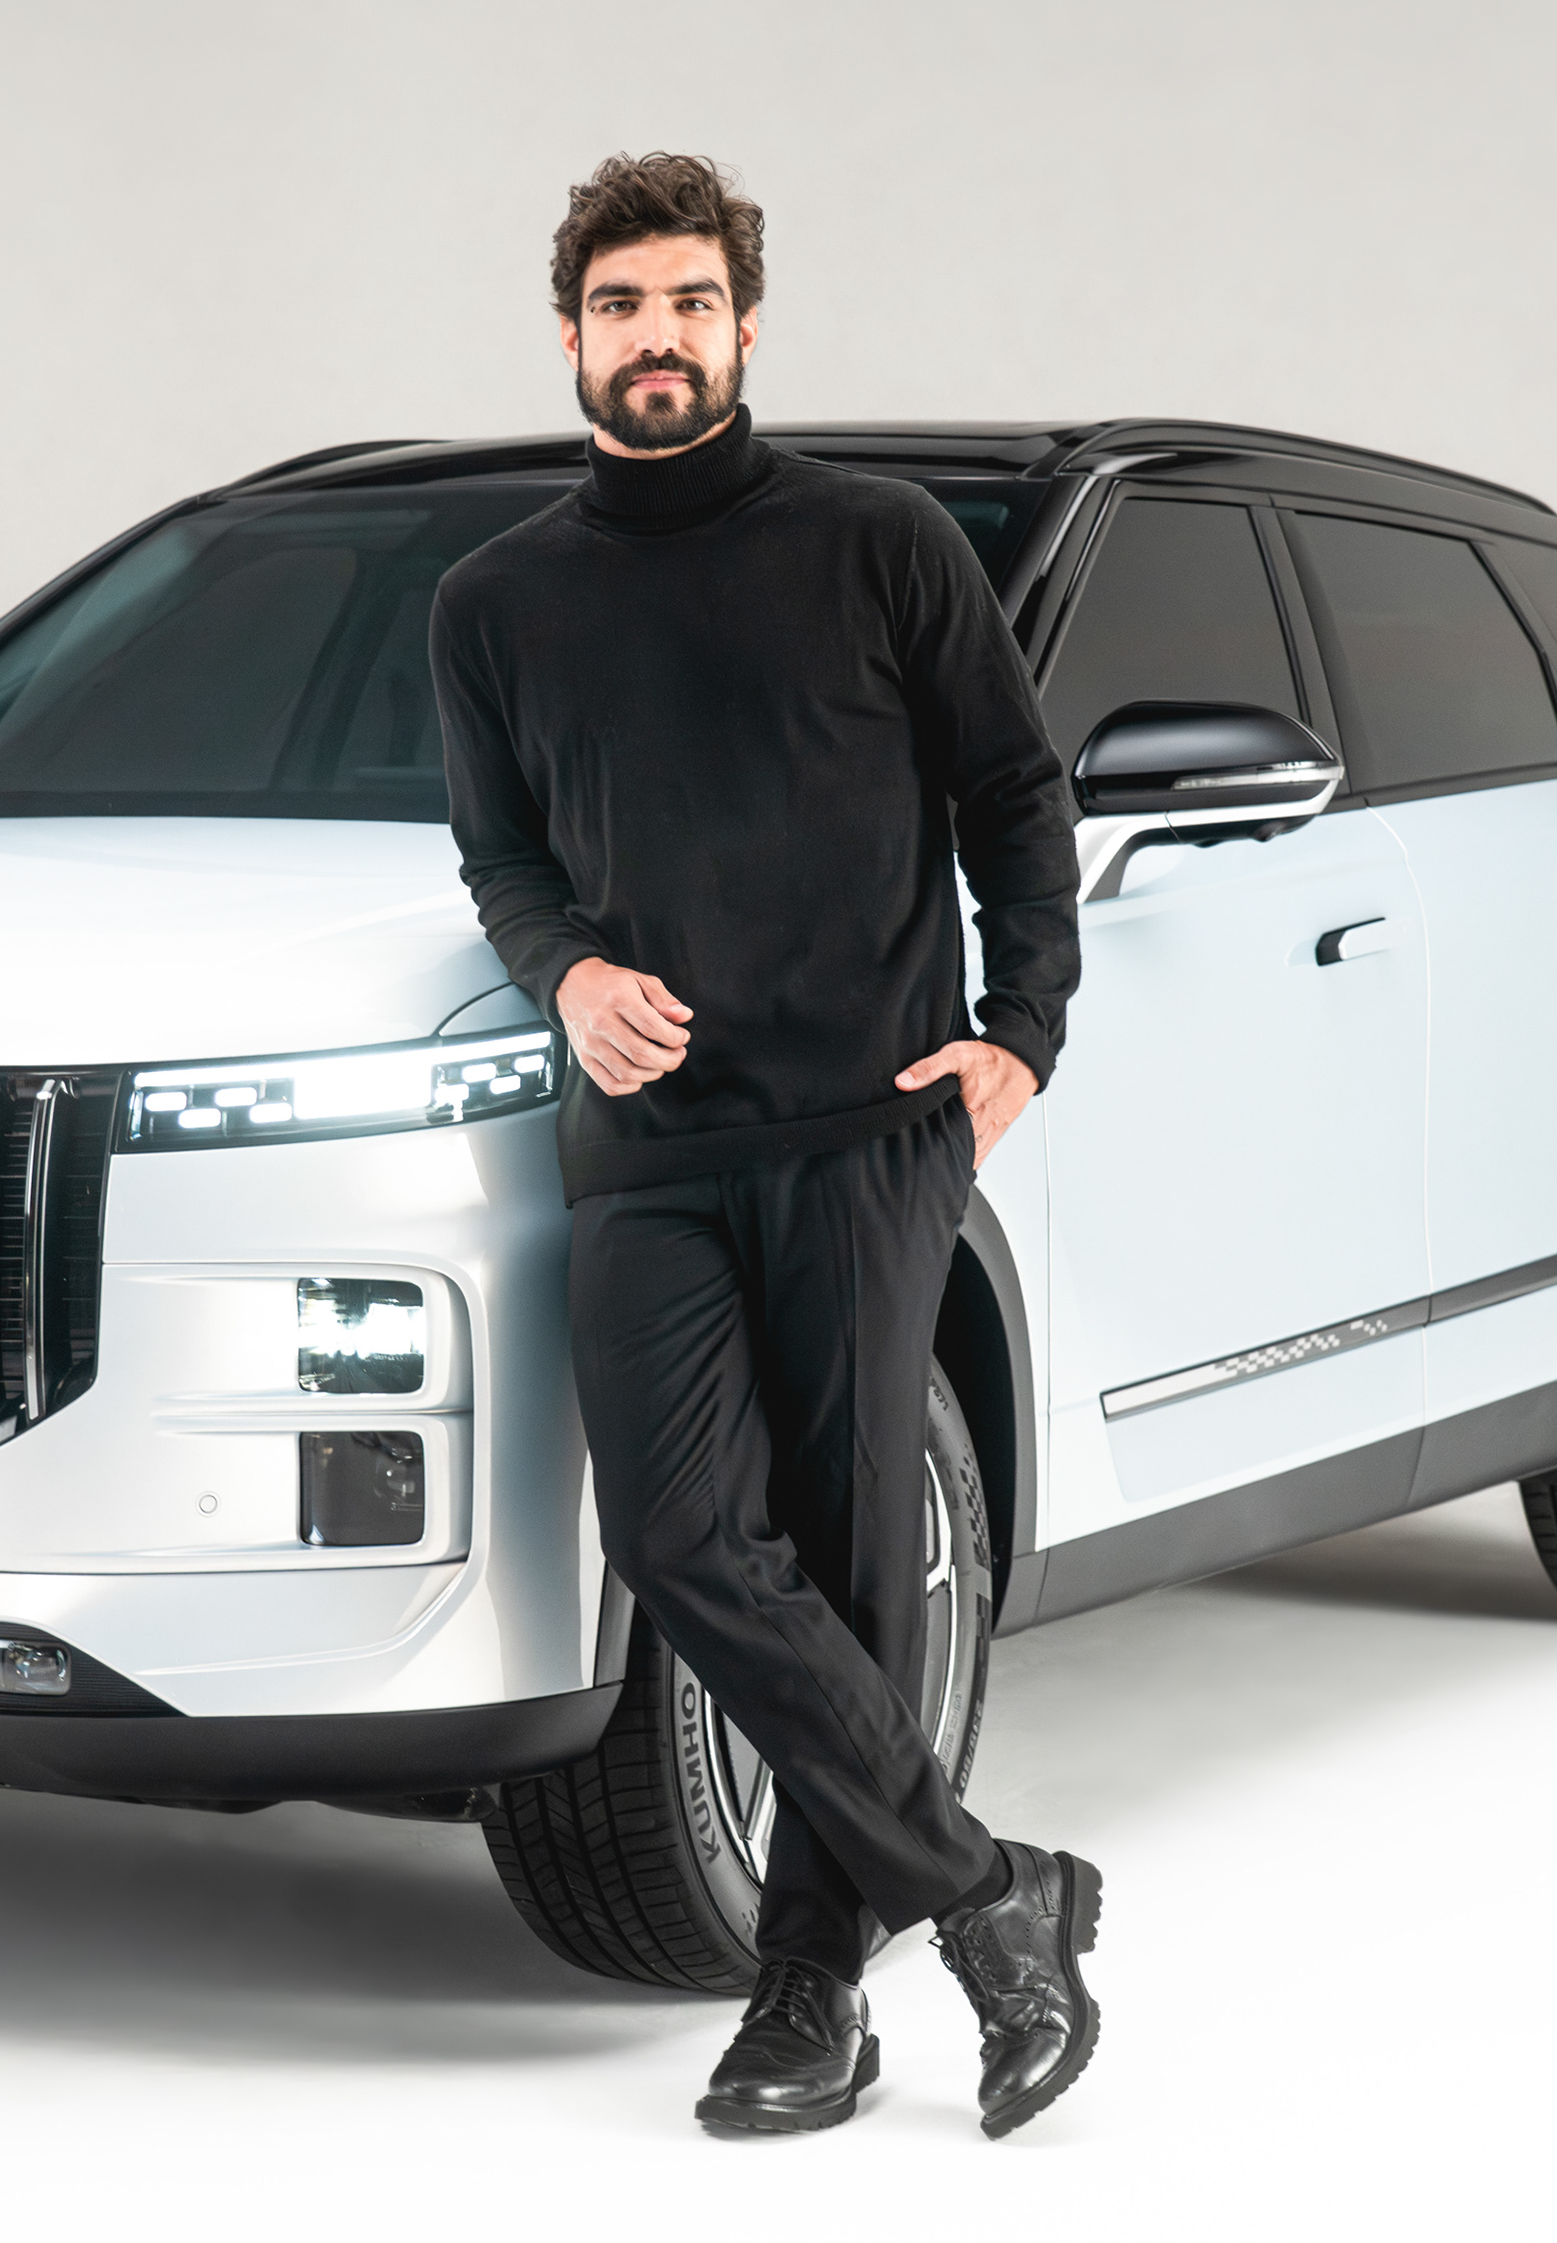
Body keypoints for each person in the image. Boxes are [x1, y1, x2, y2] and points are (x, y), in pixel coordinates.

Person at [429, 152, 1101, 2138]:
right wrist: (565, 974)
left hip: (867, 1132)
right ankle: (993, 1896)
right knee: (679, 1540)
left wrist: (1023, 1031)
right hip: (645, 1149)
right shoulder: (496, 601)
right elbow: (502, 854)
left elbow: (1014, 789)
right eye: (621, 306)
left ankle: (808, 1989)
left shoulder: (879, 544)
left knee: (853, 1559)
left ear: (744, 327)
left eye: (691, 303)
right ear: (571, 336)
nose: (658, 338)